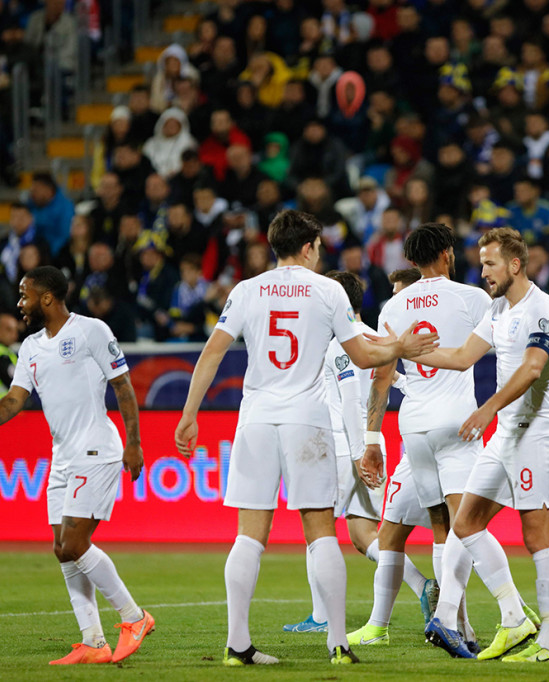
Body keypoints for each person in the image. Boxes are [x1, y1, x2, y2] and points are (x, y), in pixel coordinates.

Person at [172, 210, 438, 666]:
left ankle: (238, 645)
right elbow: (361, 352)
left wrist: (189, 414)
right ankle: (338, 644)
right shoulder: (327, 289)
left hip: (255, 419)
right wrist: (399, 347)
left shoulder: (246, 289)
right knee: (320, 533)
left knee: (249, 536)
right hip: (307, 421)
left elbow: (212, 351)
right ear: (311, 246)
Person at [0, 266, 154, 665]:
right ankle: (94, 642)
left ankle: (135, 617)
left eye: (24, 294)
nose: (19, 303)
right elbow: (16, 397)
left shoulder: (91, 331)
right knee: (61, 551)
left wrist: (134, 444)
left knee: (74, 544)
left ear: (47, 297)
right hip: (62, 457)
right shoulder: (31, 345)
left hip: (97, 451)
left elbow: (123, 386)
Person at [394, 227, 549, 663]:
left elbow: (531, 367)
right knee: (466, 523)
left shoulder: (541, 307)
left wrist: (488, 408)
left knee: (538, 538)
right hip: (504, 434)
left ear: (514, 264)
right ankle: (512, 621)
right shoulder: (496, 309)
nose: (483, 271)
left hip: (534, 432)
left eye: (490, 264)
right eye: (481, 263)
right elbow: (459, 357)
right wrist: (399, 351)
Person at [353, 224, 490, 650]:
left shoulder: (393, 308)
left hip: (412, 424)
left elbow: (381, 377)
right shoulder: (473, 298)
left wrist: (372, 436)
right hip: (457, 419)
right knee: (464, 526)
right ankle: (456, 621)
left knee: (438, 528)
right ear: (448, 253)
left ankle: (458, 626)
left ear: (411, 261)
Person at [284, 270, 434, 635]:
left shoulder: (339, 342)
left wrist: (357, 451)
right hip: (372, 441)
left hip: (343, 444)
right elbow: (395, 383)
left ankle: (321, 616)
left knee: (316, 526)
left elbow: (350, 399)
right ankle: (422, 586)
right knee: (363, 534)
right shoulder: (379, 341)